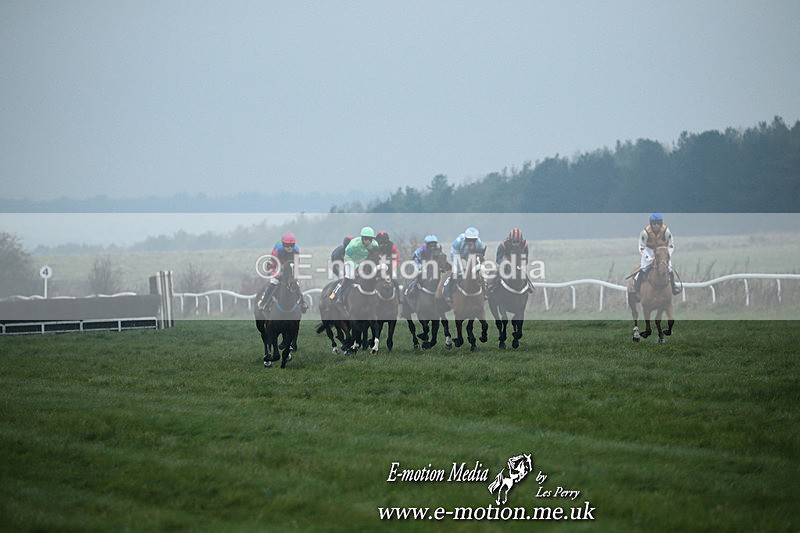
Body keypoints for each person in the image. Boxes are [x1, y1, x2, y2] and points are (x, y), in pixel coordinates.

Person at [633, 212, 681, 295]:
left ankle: (674, 288)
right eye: (654, 223)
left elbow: (671, 245)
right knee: (643, 269)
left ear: (661, 223)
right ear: (651, 224)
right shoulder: (645, 233)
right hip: (648, 250)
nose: (656, 225)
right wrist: (649, 259)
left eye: (658, 223)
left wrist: (666, 255)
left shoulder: (666, 231)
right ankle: (636, 289)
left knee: (669, 269)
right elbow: (642, 247)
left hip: (662, 251)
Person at [261, 232, 308, 312]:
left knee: (296, 284)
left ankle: (302, 303)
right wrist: (277, 275)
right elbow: (272, 266)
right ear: (283, 244)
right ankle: (264, 303)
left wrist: (295, 276)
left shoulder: (296, 250)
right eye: (287, 245)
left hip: (288, 268)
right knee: (274, 282)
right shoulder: (277, 250)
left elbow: (297, 266)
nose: (289, 248)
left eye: (292, 245)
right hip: (277, 265)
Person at [331, 226, 379, 306]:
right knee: (350, 276)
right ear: (362, 238)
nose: (367, 241)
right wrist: (355, 267)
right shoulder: (354, 245)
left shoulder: (374, 244)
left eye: (369, 239)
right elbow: (348, 257)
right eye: (365, 239)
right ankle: (341, 295)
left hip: (363, 259)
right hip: (350, 258)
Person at [444, 227, 487, 302]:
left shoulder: (479, 243)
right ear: (466, 238)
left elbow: (480, 255)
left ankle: (485, 291)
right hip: (457, 253)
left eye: (473, 240)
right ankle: (448, 292)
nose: (471, 242)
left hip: (469, 254)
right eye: (469, 240)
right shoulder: (459, 240)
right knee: (456, 272)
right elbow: (455, 254)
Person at [492, 228, 533, 293]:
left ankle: (528, 285)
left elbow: (526, 259)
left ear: (521, 241)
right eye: (514, 242)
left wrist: (521, 264)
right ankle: (493, 286)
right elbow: (498, 259)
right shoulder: (503, 245)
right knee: (497, 272)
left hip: (518, 261)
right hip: (506, 260)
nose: (516, 244)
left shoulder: (524, 245)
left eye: (517, 242)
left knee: (523, 273)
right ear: (510, 240)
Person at [405, 234, 443, 300]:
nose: (432, 247)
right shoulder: (420, 251)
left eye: (433, 244)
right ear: (426, 244)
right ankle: (412, 290)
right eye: (430, 244)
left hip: (432, 264)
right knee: (419, 275)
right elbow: (415, 261)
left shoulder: (438, 248)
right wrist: (421, 269)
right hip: (419, 263)